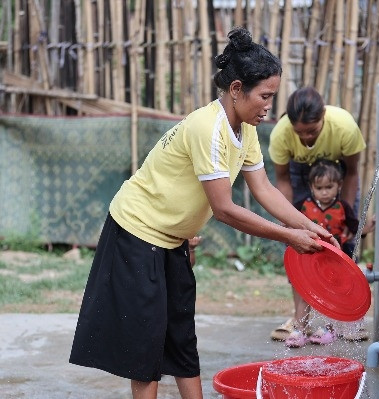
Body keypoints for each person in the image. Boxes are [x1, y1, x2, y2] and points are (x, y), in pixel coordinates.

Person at [69, 27, 335, 399]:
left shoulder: (246, 128)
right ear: (238, 89)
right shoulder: (208, 128)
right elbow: (224, 209)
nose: (268, 106)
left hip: (172, 238)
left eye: (272, 97)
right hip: (136, 232)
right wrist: (291, 237)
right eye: (265, 96)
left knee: (180, 335)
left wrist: (311, 227)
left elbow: (264, 189)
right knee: (147, 344)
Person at [268, 87, 369, 344]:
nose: (305, 138)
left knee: (341, 250)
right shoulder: (281, 134)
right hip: (299, 177)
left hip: (337, 176)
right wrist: (289, 220)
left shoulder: (344, 127)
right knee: (301, 251)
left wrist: (343, 214)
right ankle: (300, 321)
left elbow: (352, 172)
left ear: (323, 116)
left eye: (311, 131)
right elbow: (282, 179)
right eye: (298, 132)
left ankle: (343, 319)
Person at [284, 159, 360, 347]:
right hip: (308, 259)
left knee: (332, 295)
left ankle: (329, 330)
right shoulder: (303, 205)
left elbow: (355, 228)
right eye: (319, 188)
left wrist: (368, 228)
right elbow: (292, 222)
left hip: (333, 262)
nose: (324, 192)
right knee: (305, 294)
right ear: (311, 187)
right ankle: (299, 330)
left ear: (339, 186)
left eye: (329, 187)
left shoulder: (343, 207)